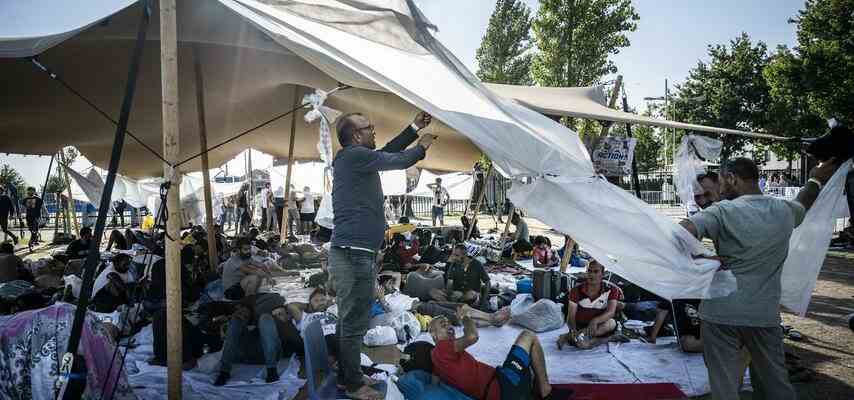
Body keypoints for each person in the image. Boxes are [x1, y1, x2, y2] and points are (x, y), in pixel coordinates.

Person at [678, 157, 836, 400]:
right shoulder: (784, 210)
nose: (719, 189)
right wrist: (815, 177)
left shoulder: (721, 211)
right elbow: (804, 201)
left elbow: (681, 233)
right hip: (763, 314)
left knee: (724, 385)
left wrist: (704, 258)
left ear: (731, 178)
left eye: (721, 182)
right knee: (774, 383)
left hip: (721, 313)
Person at [330, 110, 434, 400]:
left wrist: (413, 127)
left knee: (347, 320)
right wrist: (421, 148)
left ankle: (345, 376)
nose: (374, 130)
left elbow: (387, 151)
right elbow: (395, 159)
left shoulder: (358, 159)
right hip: (353, 254)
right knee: (353, 322)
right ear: (356, 136)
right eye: (369, 127)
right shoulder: (352, 156)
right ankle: (352, 385)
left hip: (354, 253)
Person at [428, 309, 574, 400]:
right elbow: (472, 336)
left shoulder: (438, 360)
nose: (449, 326)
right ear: (434, 335)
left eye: (448, 323)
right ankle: (546, 392)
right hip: (504, 386)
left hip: (500, 386)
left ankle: (532, 390)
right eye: (443, 324)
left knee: (530, 361)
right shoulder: (441, 349)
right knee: (528, 336)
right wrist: (465, 317)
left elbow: (434, 384)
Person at [214, 293, 304, 386]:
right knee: (236, 320)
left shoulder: (288, 324)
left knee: (266, 319)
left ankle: (271, 371)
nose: (279, 316)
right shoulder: (251, 309)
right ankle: (224, 371)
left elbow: (298, 343)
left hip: (269, 354)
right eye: (277, 314)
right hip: (244, 352)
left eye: (280, 314)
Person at [557, 260, 625, 350]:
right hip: (580, 326)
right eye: (589, 271)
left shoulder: (611, 289)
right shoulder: (576, 290)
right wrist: (573, 330)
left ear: (603, 274)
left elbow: (611, 312)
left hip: (599, 325)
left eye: (596, 271)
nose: (591, 275)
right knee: (583, 345)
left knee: (611, 323)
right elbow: (571, 316)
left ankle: (571, 337)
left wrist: (595, 321)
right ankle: (608, 338)